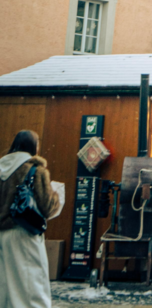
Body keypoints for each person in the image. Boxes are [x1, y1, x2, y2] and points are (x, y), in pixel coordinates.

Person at [0, 129, 60, 308]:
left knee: (5, 290)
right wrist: (56, 197)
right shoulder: (35, 170)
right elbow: (47, 206)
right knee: (31, 286)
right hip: (23, 232)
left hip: (1, 234)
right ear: (34, 147)